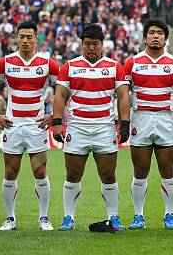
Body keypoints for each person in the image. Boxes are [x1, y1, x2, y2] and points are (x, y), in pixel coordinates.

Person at [52, 24, 128, 231]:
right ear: (81, 44)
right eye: (87, 44)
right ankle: (68, 217)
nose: (91, 48)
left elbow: (123, 96)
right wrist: (57, 123)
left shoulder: (114, 67)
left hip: (104, 128)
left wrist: (125, 124)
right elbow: (60, 95)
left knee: (108, 175)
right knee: (73, 174)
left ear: (102, 45)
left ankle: (113, 217)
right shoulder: (70, 66)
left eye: (95, 44)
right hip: (77, 128)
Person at [0, 21, 60, 231]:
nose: (25, 41)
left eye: (29, 37)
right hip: (13, 125)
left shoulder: (47, 63)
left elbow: (64, 89)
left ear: (36, 38)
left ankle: (43, 218)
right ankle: (10, 218)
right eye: (21, 37)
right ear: (16, 38)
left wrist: (54, 116)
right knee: (10, 172)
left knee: (40, 171)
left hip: (36, 125)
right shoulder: (5, 62)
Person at [120, 19, 173, 230]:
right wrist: (124, 121)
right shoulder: (133, 62)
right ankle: (138, 216)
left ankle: (170, 215)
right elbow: (122, 93)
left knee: (168, 168)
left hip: (165, 119)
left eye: (159, 33)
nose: (155, 36)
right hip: (140, 118)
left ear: (166, 38)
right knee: (140, 169)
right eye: (152, 32)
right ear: (145, 37)